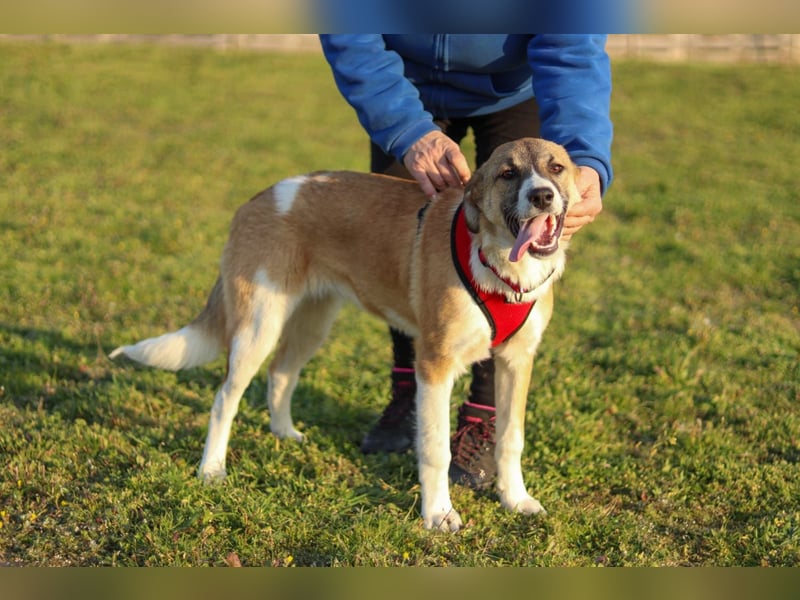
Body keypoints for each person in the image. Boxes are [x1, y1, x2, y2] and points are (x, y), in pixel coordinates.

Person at [319, 34, 613, 490]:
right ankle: (409, 392)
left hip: (516, 85)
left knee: (512, 307)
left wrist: (587, 156)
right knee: (396, 249)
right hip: (400, 79)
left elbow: (575, 37)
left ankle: (481, 421)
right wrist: (403, 128)